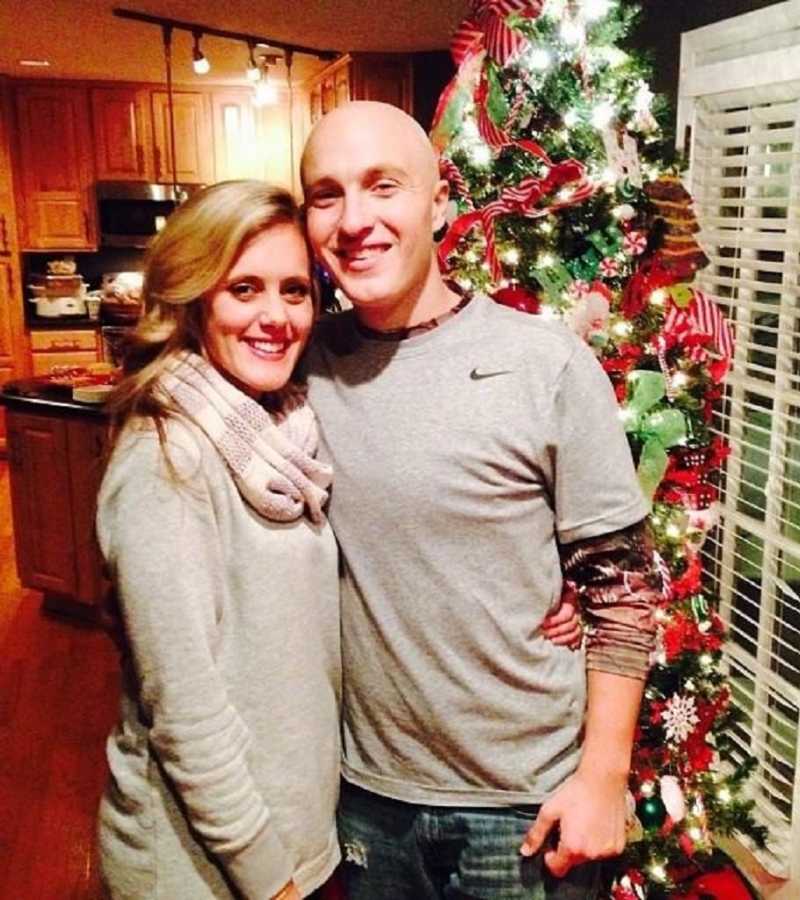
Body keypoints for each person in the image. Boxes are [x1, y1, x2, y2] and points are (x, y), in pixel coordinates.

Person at [300, 101, 661, 900]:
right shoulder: (297, 363)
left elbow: (624, 588)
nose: (355, 218)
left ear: (438, 201)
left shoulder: (545, 364)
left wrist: (604, 778)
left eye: (382, 186)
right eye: (327, 195)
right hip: (366, 800)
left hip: (527, 804)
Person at [96, 180, 340, 900]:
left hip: (289, 835)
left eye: (295, 291)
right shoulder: (167, 460)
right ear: (196, 298)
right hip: (197, 866)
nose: (276, 316)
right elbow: (186, 713)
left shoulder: (287, 435)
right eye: (244, 289)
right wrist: (271, 880)